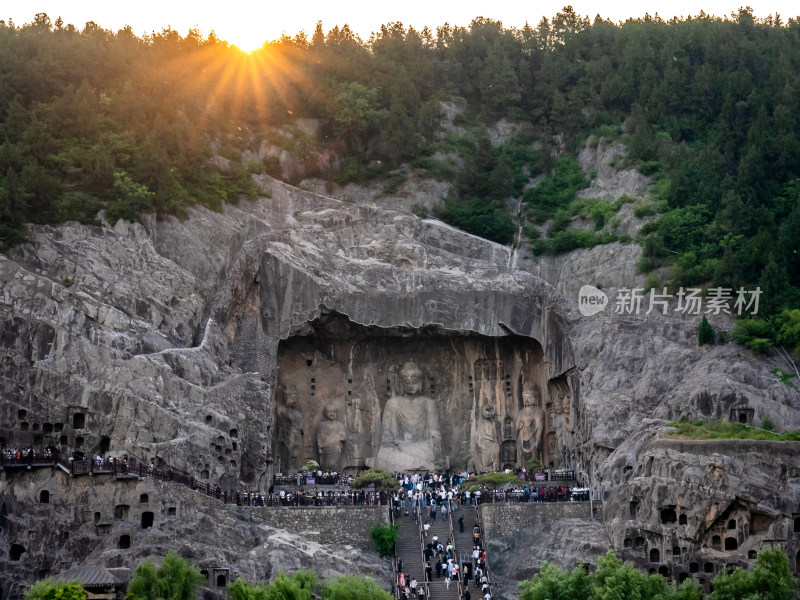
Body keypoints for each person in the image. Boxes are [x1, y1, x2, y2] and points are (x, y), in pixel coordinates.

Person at [376, 361, 443, 471]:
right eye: (407, 382)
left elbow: (433, 433)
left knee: (430, 450)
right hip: (399, 446)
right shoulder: (393, 404)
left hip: (423, 447)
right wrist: (398, 444)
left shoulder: (428, 403)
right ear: (401, 384)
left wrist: (434, 441)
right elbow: (389, 435)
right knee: (387, 451)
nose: (411, 385)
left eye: (414, 382)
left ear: (420, 383)